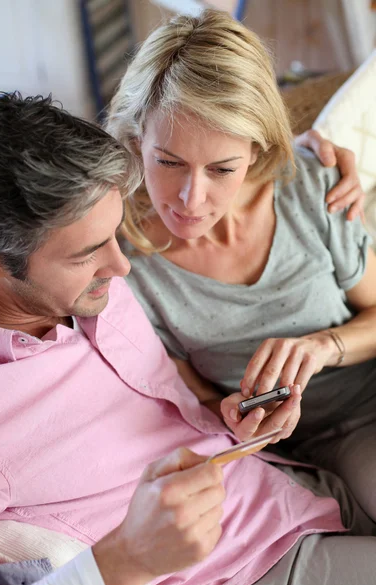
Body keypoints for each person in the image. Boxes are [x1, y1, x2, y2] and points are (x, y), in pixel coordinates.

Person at [0, 92, 376, 585]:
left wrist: (291, 154)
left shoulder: (81, 273)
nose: (122, 269)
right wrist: (125, 560)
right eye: (86, 254)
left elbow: (190, 106)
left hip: (302, 490)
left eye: (114, 234)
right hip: (247, 573)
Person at [107, 9, 376, 522]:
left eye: (221, 168)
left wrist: (322, 347)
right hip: (294, 449)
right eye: (168, 161)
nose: (191, 198)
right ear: (136, 137)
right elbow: (194, 396)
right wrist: (228, 415)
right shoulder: (128, 261)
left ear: (254, 152)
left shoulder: (308, 189)